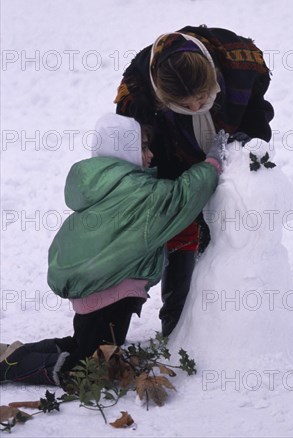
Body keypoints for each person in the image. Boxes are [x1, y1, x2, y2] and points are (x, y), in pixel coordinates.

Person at [0, 113, 228, 386]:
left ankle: (16, 354)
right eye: (143, 147)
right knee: (91, 371)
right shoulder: (139, 194)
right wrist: (212, 163)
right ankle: (10, 366)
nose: (151, 155)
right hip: (110, 294)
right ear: (125, 150)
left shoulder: (106, 186)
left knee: (83, 346)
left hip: (97, 289)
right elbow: (181, 197)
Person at [114, 24, 274, 336]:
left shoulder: (238, 61)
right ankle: (178, 320)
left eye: (201, 97)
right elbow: (133, 146)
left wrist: (250, 141)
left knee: (231, 231)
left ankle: (232, 315)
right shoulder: (137, 92)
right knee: (182, 231)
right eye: (183, 105)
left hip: (229, 158)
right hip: (171, 162)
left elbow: (257, 109)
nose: (196, 107)